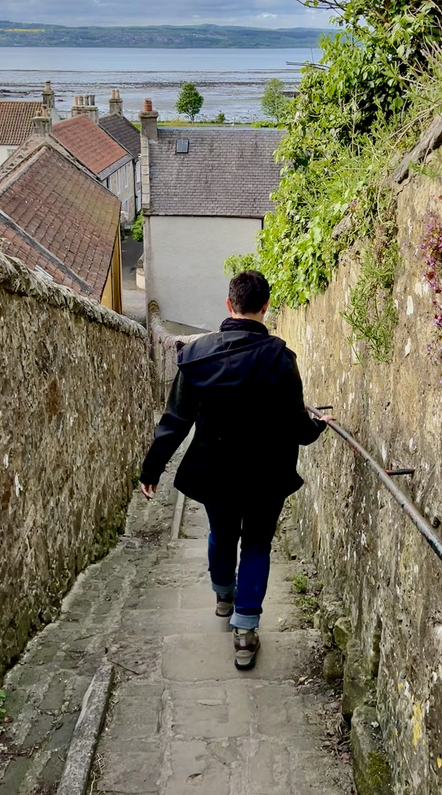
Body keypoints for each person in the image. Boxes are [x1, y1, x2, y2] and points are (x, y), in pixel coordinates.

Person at [139, 270, 333, 670]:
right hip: (266, 473)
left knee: (221, 535)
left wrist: (151, 469)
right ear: (266, 307)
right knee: (258, 543)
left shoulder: (196, 356)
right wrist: (318, 426)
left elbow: (175, 420)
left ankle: (223, 594)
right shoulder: (281, 358)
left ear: (230, 305)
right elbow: (297, 425)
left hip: (215, 470)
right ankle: (245, 632)